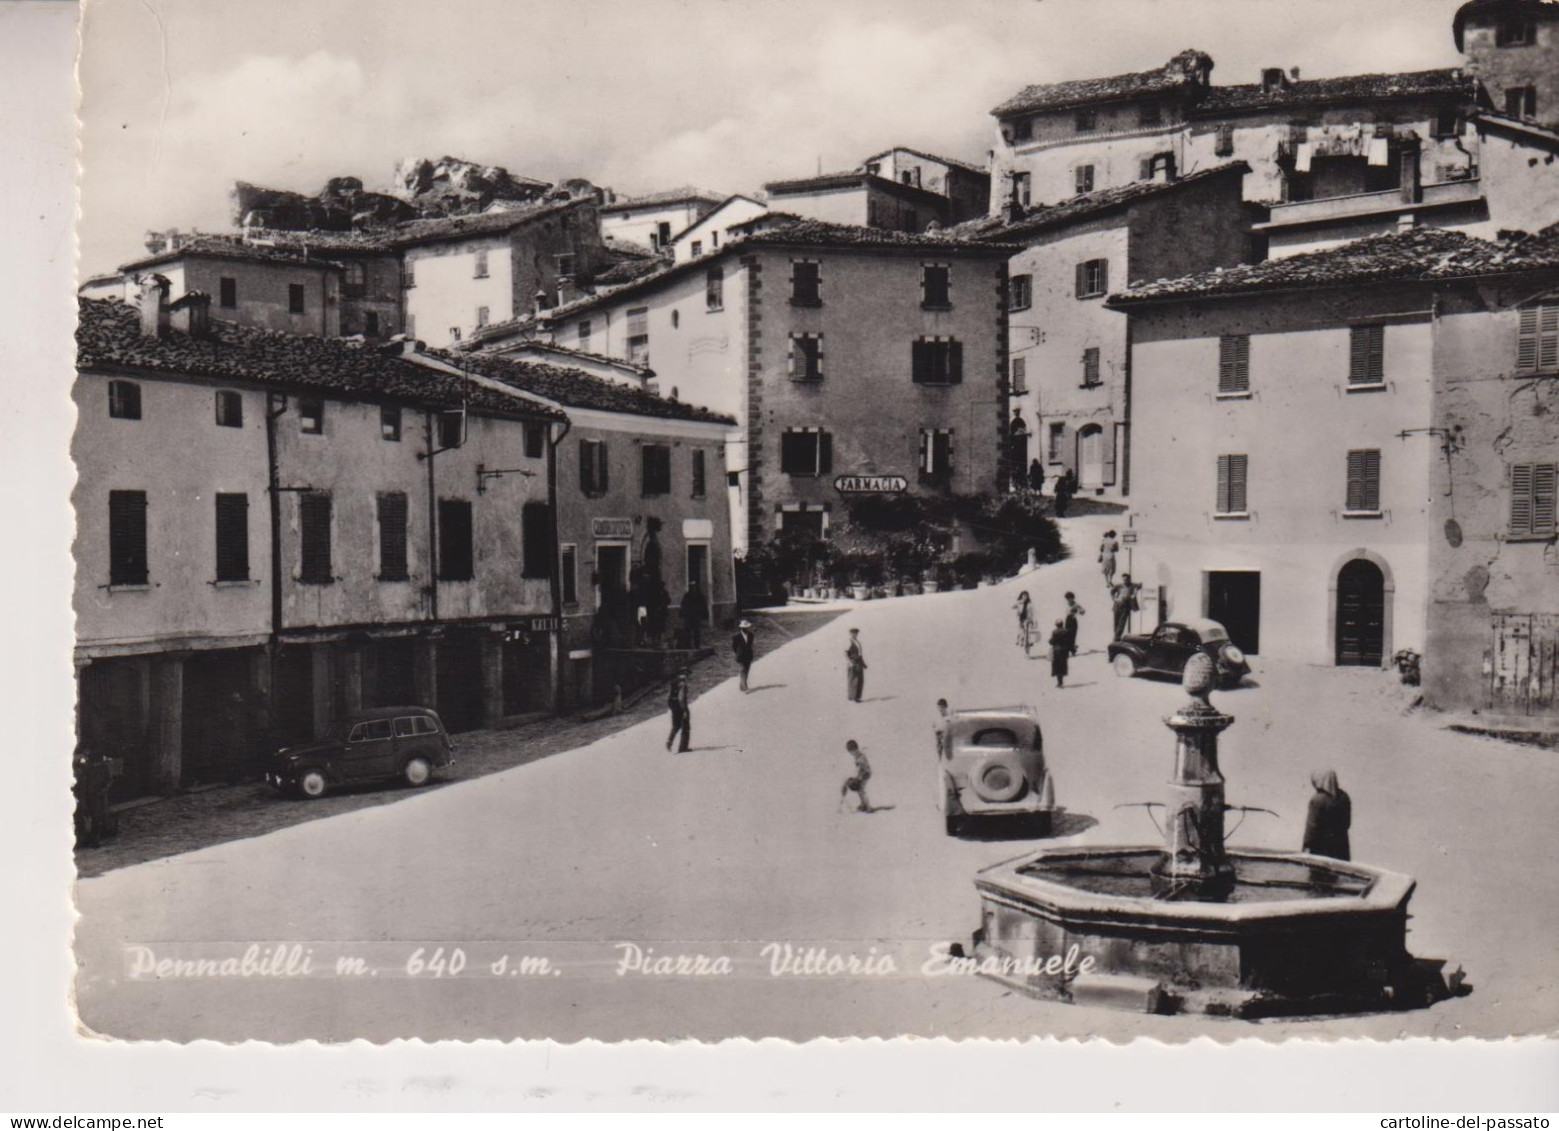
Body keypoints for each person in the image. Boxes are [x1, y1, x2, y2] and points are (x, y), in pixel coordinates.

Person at [1303, 770, 1352, 861]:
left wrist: (1306, 846)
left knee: (1318, 875)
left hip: (1320, 850)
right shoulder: (1344, 797)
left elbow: (1312, 828)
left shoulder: (1317, 800)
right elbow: (1347, 824)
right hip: (1341, 849)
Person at [839, 739, 874, 813]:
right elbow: (858, 769)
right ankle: (863, 805)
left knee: (861, 791)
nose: (852, 754)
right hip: (862, 774)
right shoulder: (857, 756)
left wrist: (858, 778)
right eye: (850, 752)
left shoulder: (861, 757)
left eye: (852, 752)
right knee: (859, 790)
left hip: (865, 774)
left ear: (855, 749)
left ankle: (868, 806)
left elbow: (862, 769)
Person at [665, 669, 692, 752]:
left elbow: (669, 696)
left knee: (676, 725)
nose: (687, 677)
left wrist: (672, 707)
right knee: (686, 727)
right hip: (681, 706)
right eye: (687, 675)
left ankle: (669, 741)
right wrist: (684, 710)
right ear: (684, 674)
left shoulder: (673, 682)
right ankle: (683, 747)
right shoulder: (682, 684)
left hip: (674, 705)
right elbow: (682, 698)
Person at [1111, 574, 1140, 641]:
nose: (1125, 581)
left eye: (1126, 579)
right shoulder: (1119, 586)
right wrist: (1115, 598)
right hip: (1117, 606)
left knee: (1121, 624)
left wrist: (1135, 591)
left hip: (1125, 606)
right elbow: (1112, 591)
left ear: (1129, 579)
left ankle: (1116, 638)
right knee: (1116, 623)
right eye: (1123, 579)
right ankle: (1117, 638)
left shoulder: (1132, 586)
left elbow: (1139, 585)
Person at [678, 583, 706, 649]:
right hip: (689, 616)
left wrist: (703, 613)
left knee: (696, 631)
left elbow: (703, 605)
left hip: (696, 616)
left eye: (693, 587)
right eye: (691, 587)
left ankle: (696, 644)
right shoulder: (687, 595)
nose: (692, 588)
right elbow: (683, 605)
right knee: (688, 631)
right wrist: (682, 613)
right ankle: (688, 644)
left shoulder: (699, 596)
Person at [731, 619, 756, 692]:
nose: (746, 628)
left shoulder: (751, 635)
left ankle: (742, 685)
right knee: (743, 669)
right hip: (740, 656)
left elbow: (750, 645)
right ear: (741, 628)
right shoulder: (736, 636)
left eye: (747, 627)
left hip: (748, 655)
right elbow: (734, 647)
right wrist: (738, 653)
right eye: (745, 627)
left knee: (747, 670)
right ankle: (745, 686)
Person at [845, 627, 867, 703]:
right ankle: (854, 697)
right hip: (853, 662)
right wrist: (850, 662)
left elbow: (860, 654)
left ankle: (854, 696)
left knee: (859, 679)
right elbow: (846, 653)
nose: (855, 634)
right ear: (850, 633)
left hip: (858, 662)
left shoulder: (857, 641)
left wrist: (863, 663)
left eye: (856, 633)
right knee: (854, 679)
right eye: (853, 633)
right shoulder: (848, 641)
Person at [1048, 619, 1070, 688]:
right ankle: (1061, 681)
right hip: (1064, 651)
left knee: (1057, 666)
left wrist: (1050, 641)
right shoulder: (1066, 631)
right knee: (1063, 665)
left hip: (1057, 651)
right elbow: (1069, 641)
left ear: (1056, 625)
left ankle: (1059, 682)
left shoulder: (1055, 632)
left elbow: (1052, 642)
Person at [1063, 591, 1085, 656]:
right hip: (1067, 620)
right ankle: (1069, 649)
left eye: (1069, 598)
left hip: (1073, 621)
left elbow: (1083, 611)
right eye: (1067, 599)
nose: (1068, 600)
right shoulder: (1067, 604)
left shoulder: (1076, 604)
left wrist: (1077, 613)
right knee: (1067, 635)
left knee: (1072, 635)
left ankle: (1072, 650)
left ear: (1072, 598)